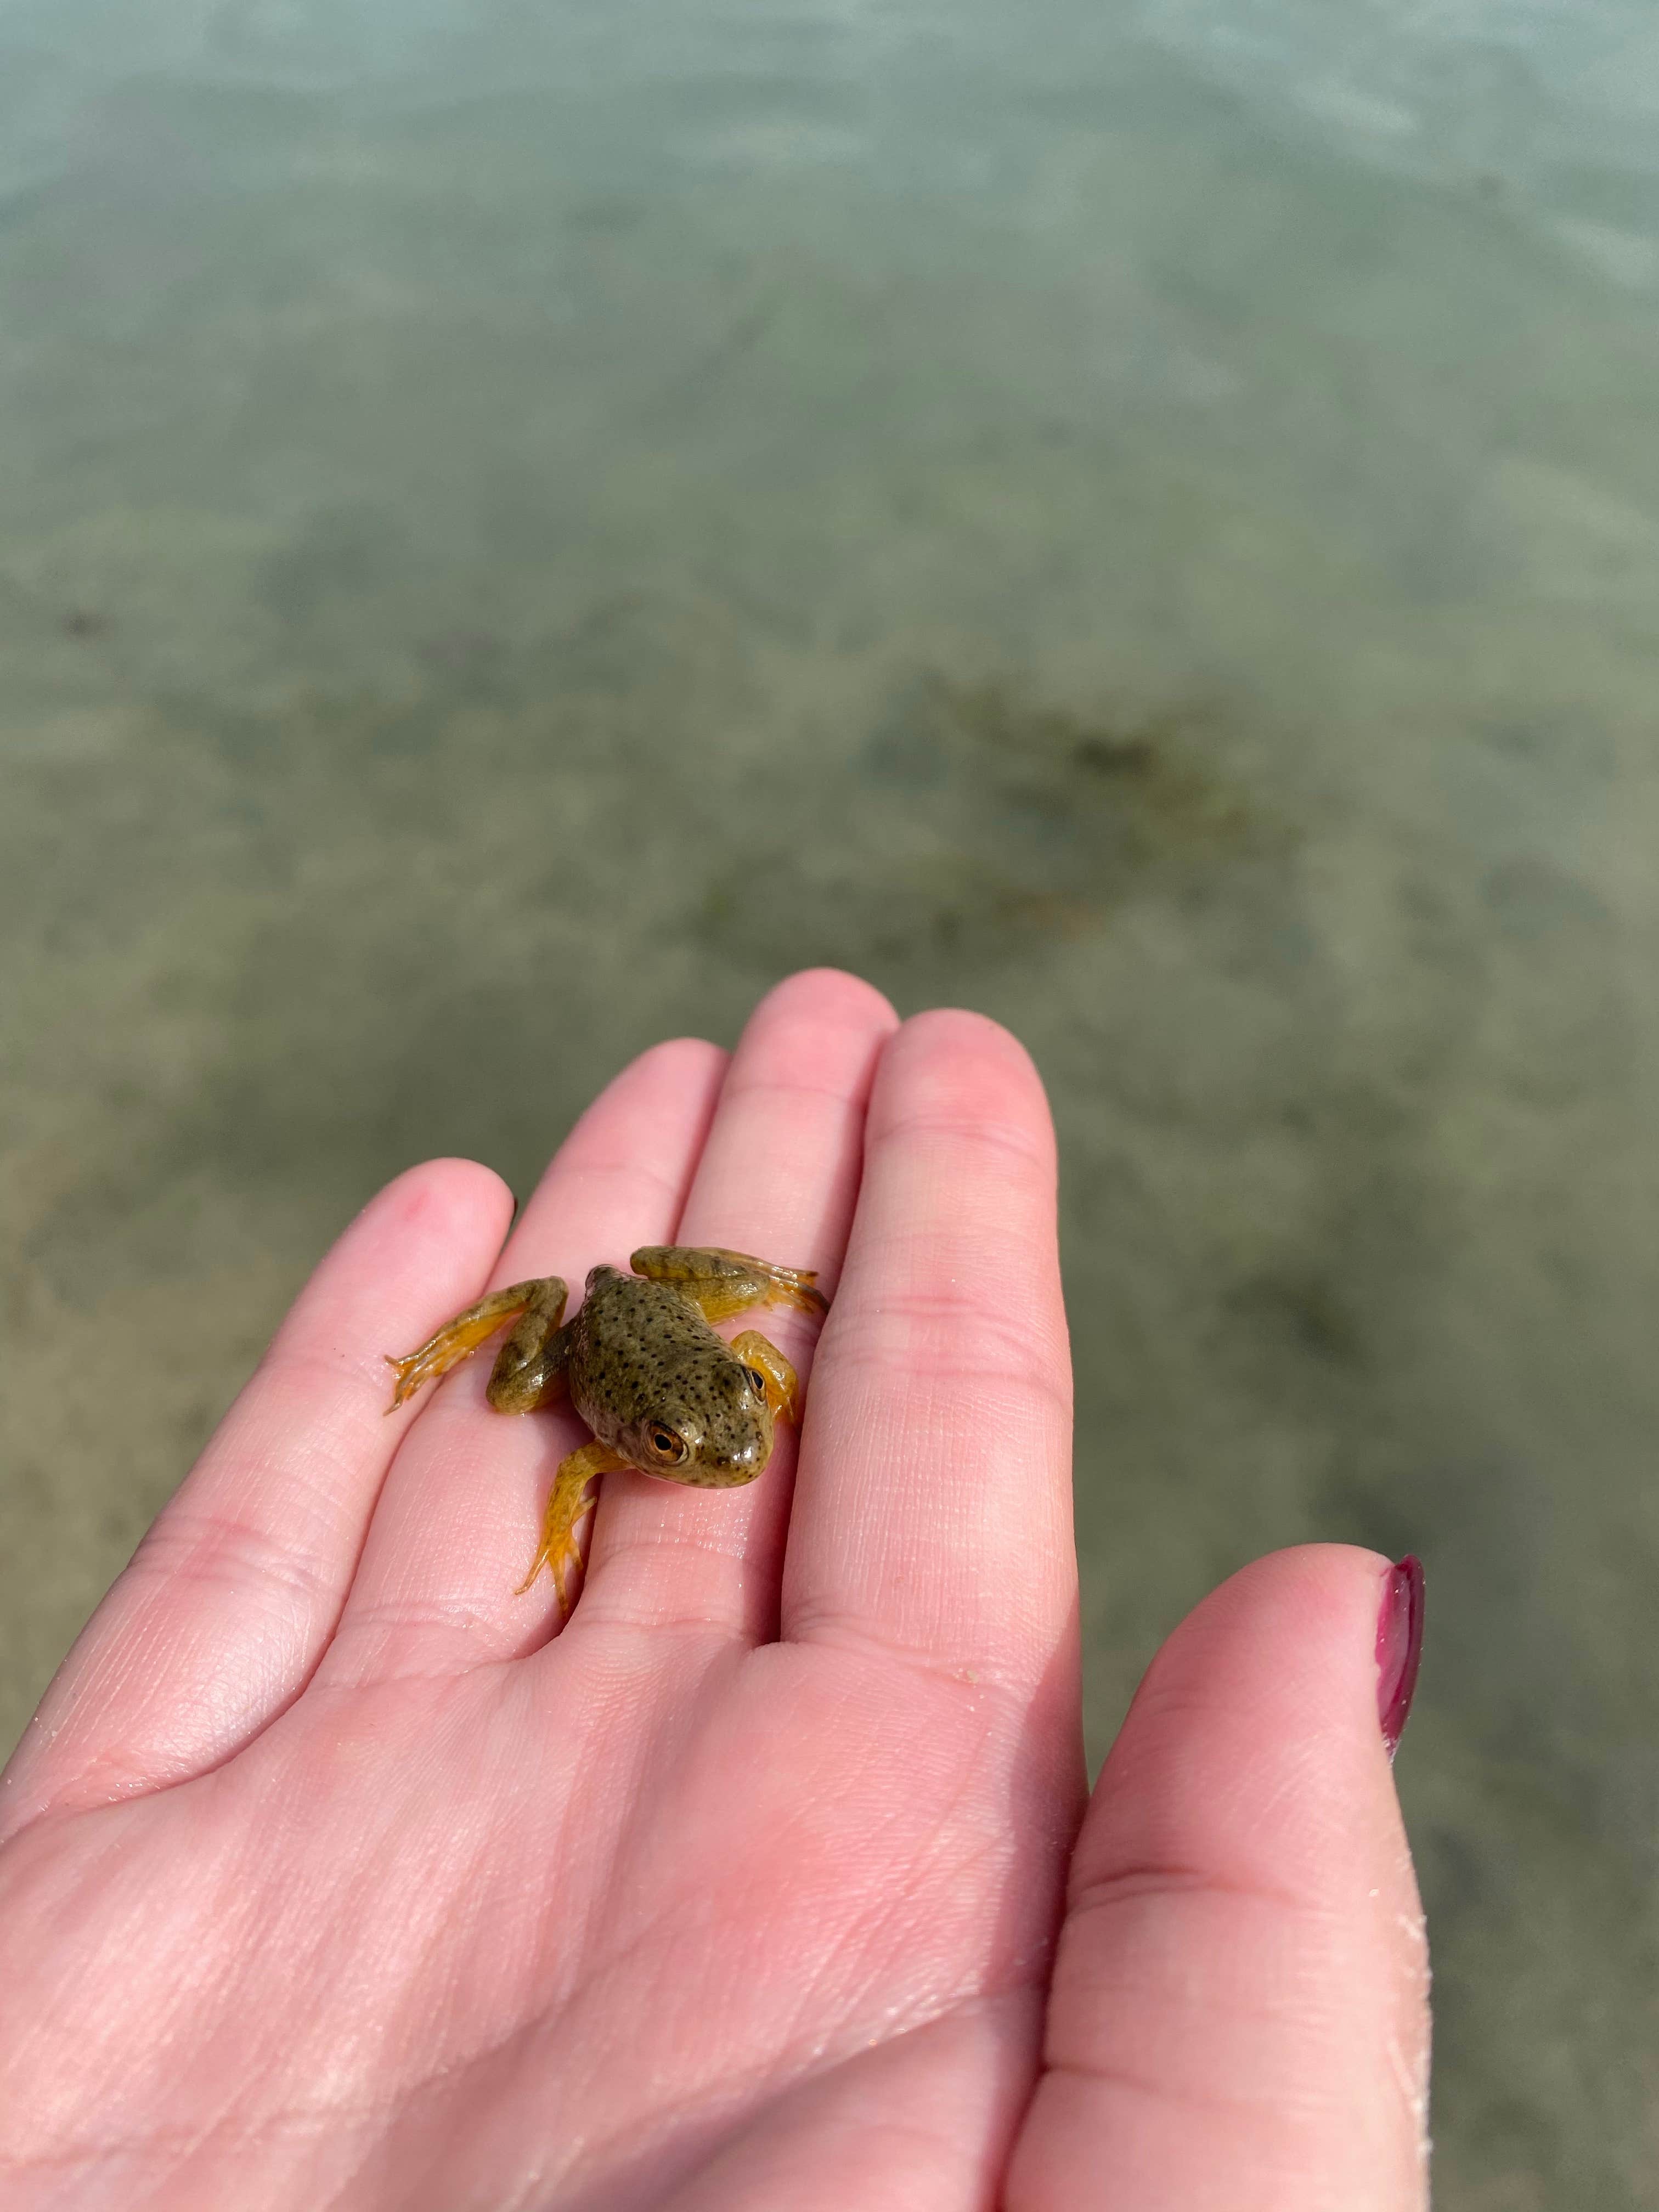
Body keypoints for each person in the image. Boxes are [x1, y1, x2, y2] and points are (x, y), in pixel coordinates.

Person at [0, 969, 1429, 2210]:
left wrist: (760, 1367)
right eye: (696, 1454)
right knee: (510, 1406)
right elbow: (573, 1477)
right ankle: (479, 1326)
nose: (728, 1462)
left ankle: (677, 1300)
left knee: (697, 1313)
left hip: (669, 1311)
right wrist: (559, 1539)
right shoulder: (614, 1446)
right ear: (649, 1447)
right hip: (593, 1332)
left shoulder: (730, 1403)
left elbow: (741, 1390)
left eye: (734, 1440)